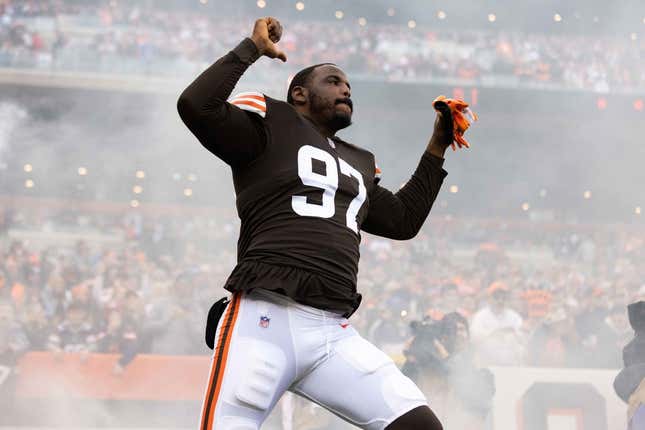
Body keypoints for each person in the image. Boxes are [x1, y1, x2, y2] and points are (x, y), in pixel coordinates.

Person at [177, 17, 462, 430]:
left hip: (332, 330)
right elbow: (196, 105)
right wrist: (250, 48)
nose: (346, 89)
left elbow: (403, 220)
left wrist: (437, 147)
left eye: (348, 85)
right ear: (299, 93)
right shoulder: (270, 121)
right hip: (265, 315)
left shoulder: (359, 161)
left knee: (419, 424)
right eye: (333, 81)